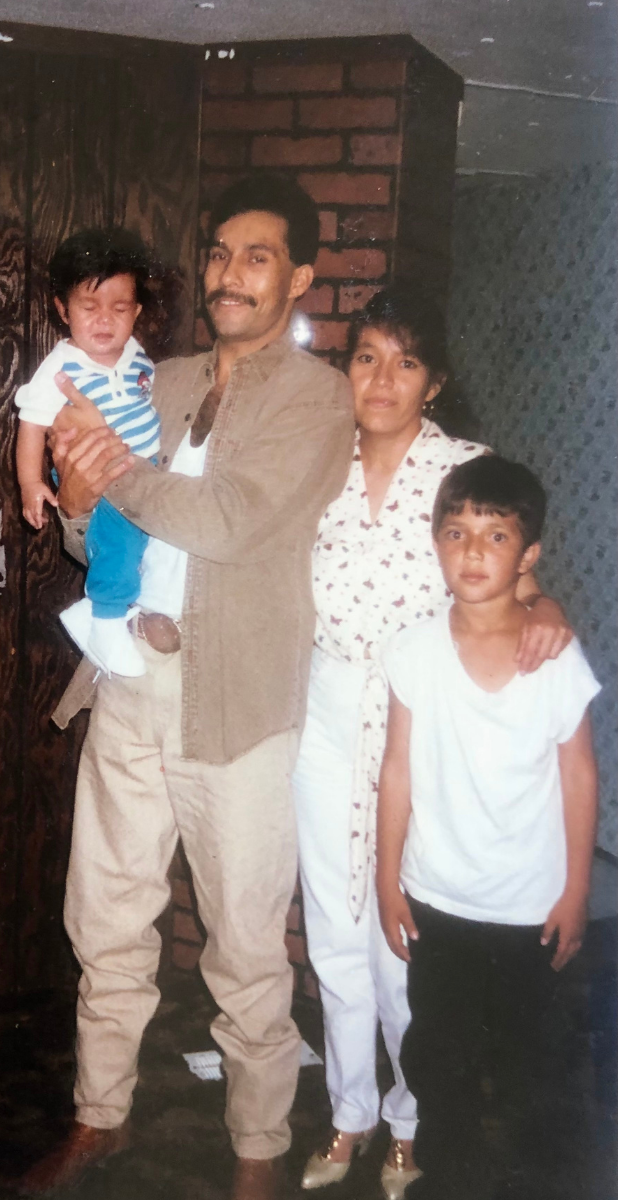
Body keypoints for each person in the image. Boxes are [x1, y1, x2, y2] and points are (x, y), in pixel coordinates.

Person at [23, 175, 354, 1200]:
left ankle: (258, 1149)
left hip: (236, 705)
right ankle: (100, 1117)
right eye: (217, 254)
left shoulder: (315, 399)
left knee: (247, 941)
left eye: (257, 257)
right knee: (106, 916)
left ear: (298, 276)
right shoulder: (158, 378)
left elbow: (226, 522)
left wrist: (107, 474)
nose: (230, 274)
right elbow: (93, 528)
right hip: (128, 682)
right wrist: (79, 504)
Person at [291, 289, 574, 1199]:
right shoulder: (312, 465)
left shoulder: (464, 467)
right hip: (327, 707)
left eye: (404, 362)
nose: (380, 379)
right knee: (333, 926)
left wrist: (549, 609)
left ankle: (410, 1126)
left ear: (435, 381)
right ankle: (348, 1113)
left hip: (424, 719)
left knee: (401, 934)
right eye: (365, 356)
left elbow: (519, 571)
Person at [375, 457, 601, 1200]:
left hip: (529, 910)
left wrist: (577, 893)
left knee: (534, 1066)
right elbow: (398, 770)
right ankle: (452, 1179)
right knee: (438, 1061)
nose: (473, 552)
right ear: (435, 544)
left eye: (495, 535)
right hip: (440, 901)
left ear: (528, 556)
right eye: (456, 533)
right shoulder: (413, 649)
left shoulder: (554, 658)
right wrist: (386, 879)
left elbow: (578, 777)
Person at [14, 226, 162, 677]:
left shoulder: (136, 354)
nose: (104, 321)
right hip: (95, 470)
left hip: (144, 469)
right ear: (63, 309)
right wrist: (30, 483)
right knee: (120, 544)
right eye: (89, 307)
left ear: (136, 312)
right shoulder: (60, 367)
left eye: (119, 308)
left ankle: (113, 608)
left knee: (145, 548)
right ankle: (105, 619)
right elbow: (31, 425)